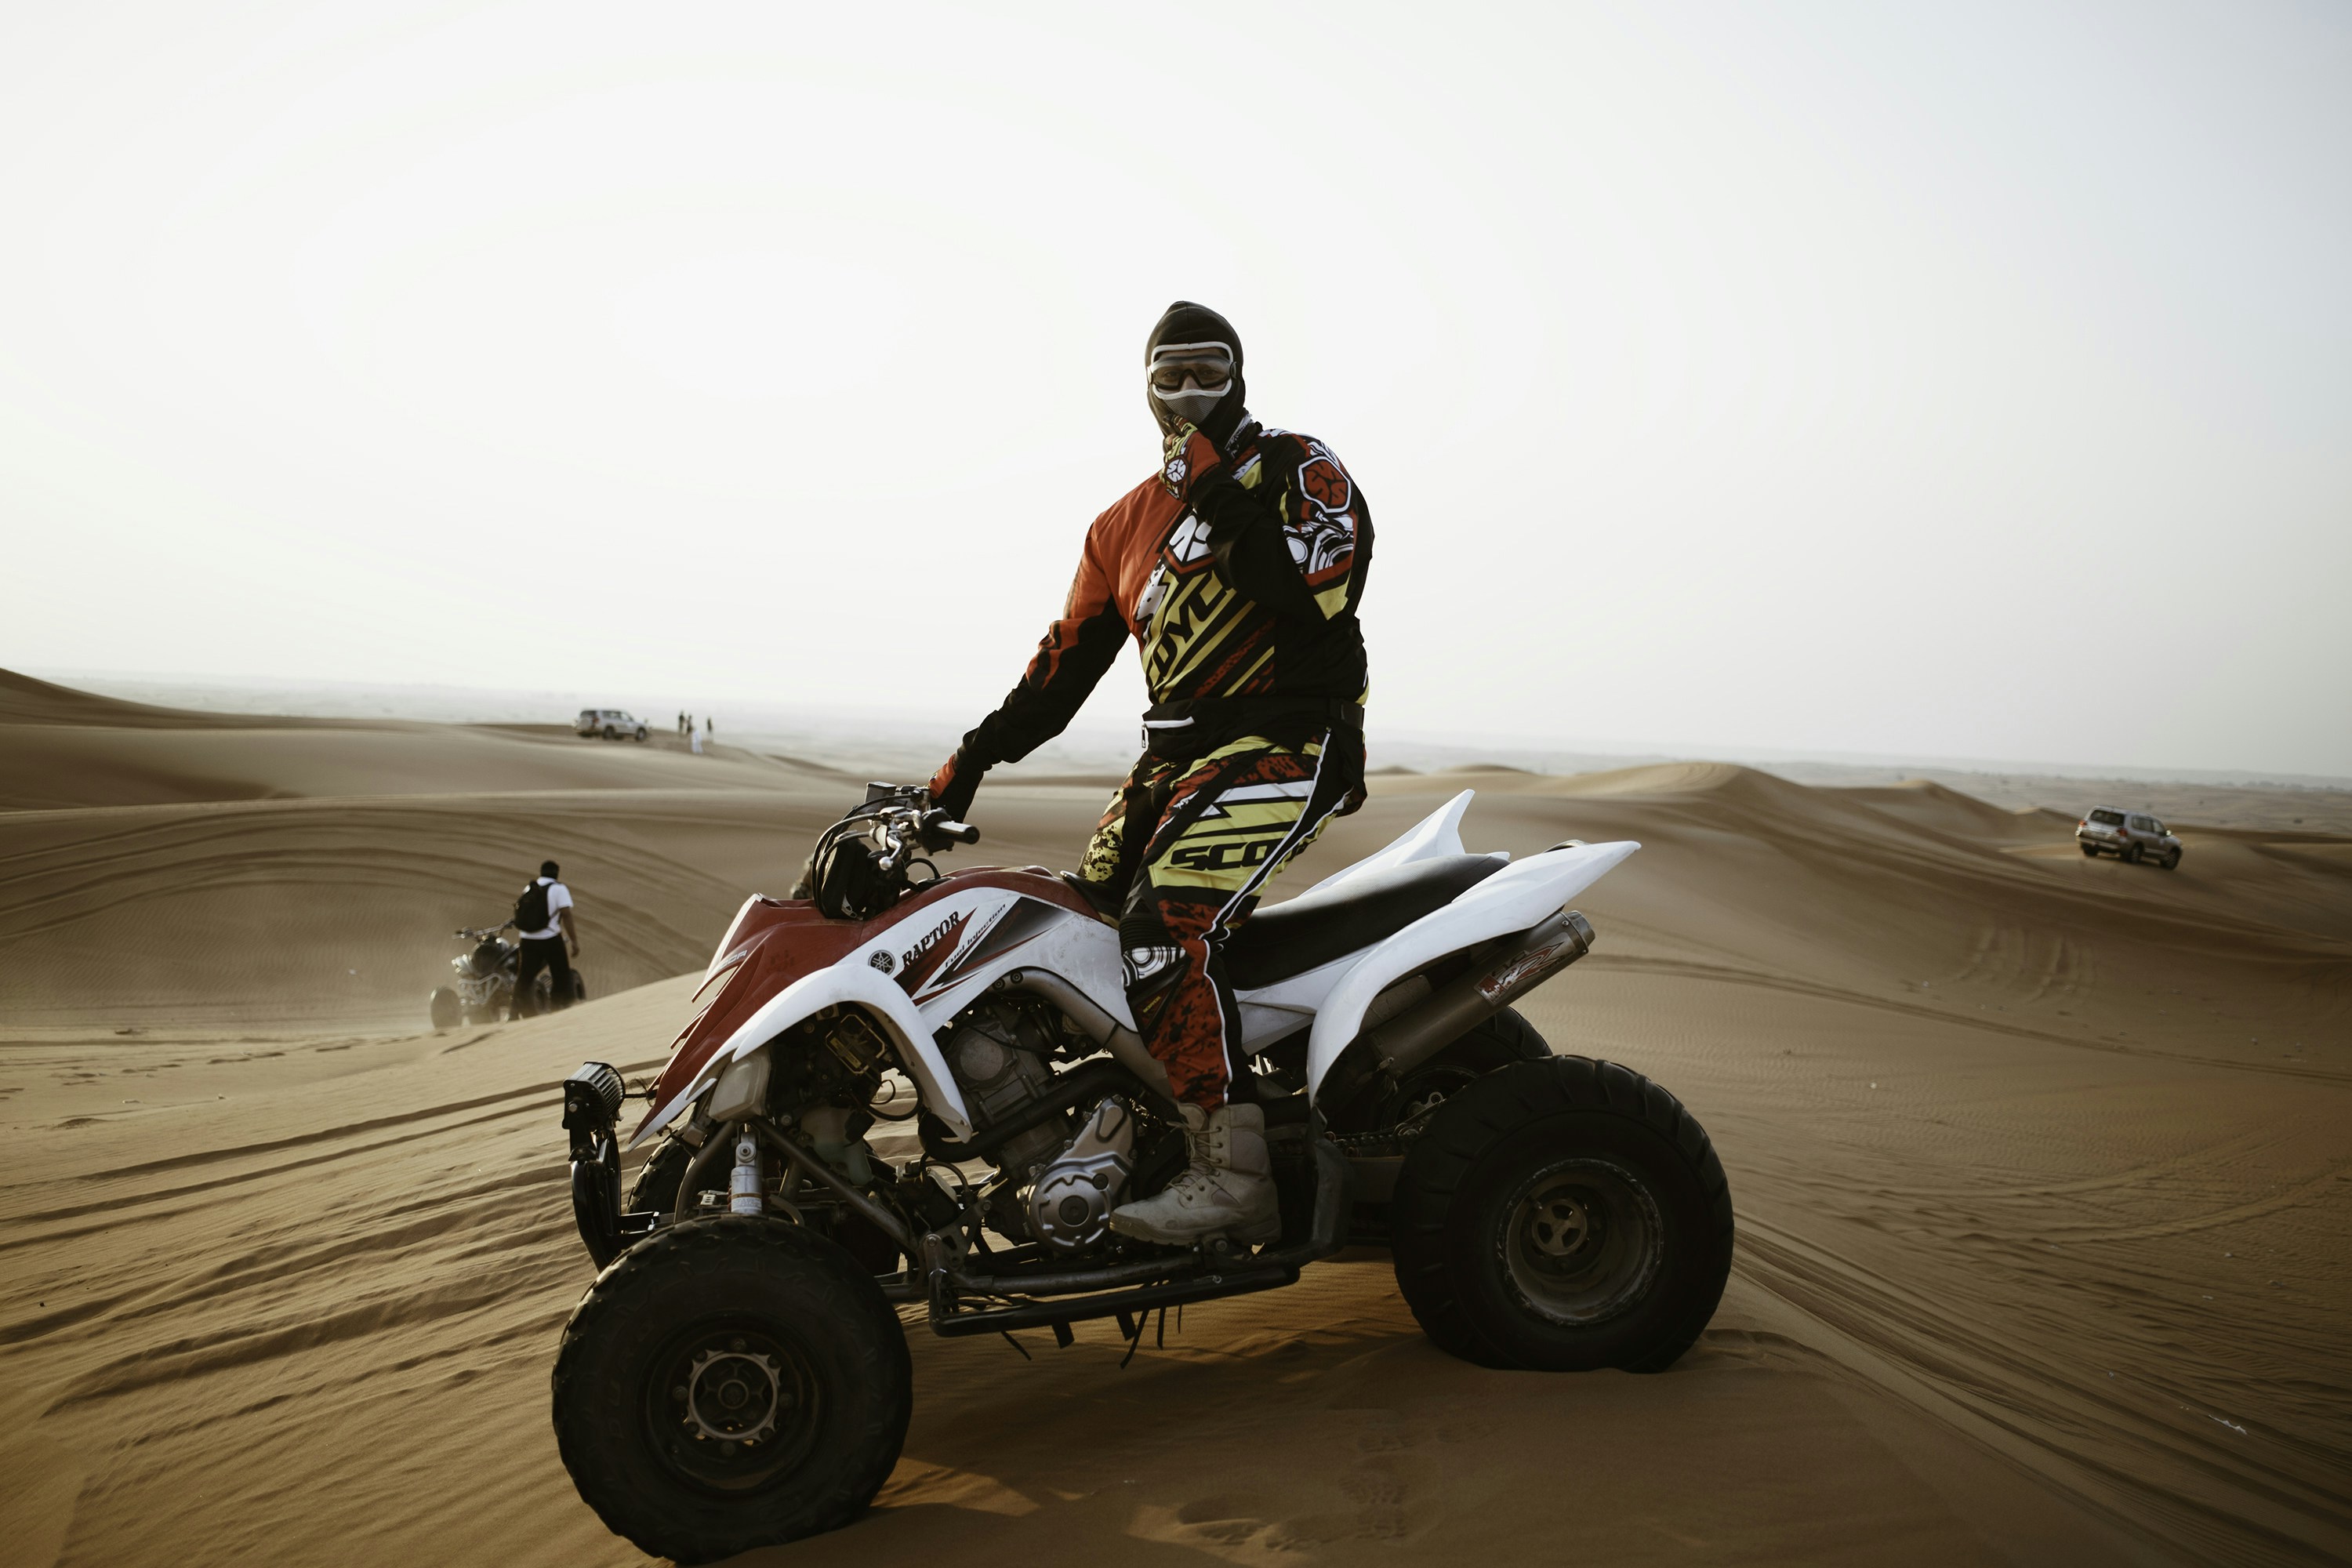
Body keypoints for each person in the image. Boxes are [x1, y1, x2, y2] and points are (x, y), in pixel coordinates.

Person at [927, 300, 1372, 1245]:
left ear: (1240, 374)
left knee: (1164, 924)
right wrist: (969, 760)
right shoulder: (1119, 525)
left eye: (1208, 371)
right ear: (1143, 385)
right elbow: (1060, 671)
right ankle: (1116, 1124)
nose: (1188, 394)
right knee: (1069, 930)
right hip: (1172, 755)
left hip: (1291, 736)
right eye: (1169, 375)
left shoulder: (1301, 466)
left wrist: (1215, 489)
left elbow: (1314, 597)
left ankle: (1231, 1170)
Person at [508, 859, 579, 1019]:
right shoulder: (559, 889)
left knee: (524, 977)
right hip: (550, 938)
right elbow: (566, 915)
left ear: (541, 872)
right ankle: (556, 1008)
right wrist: (574, 941)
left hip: (527, 939)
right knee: (560, 973)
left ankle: (513, 1013)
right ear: (556, 873)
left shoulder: (529, 888)